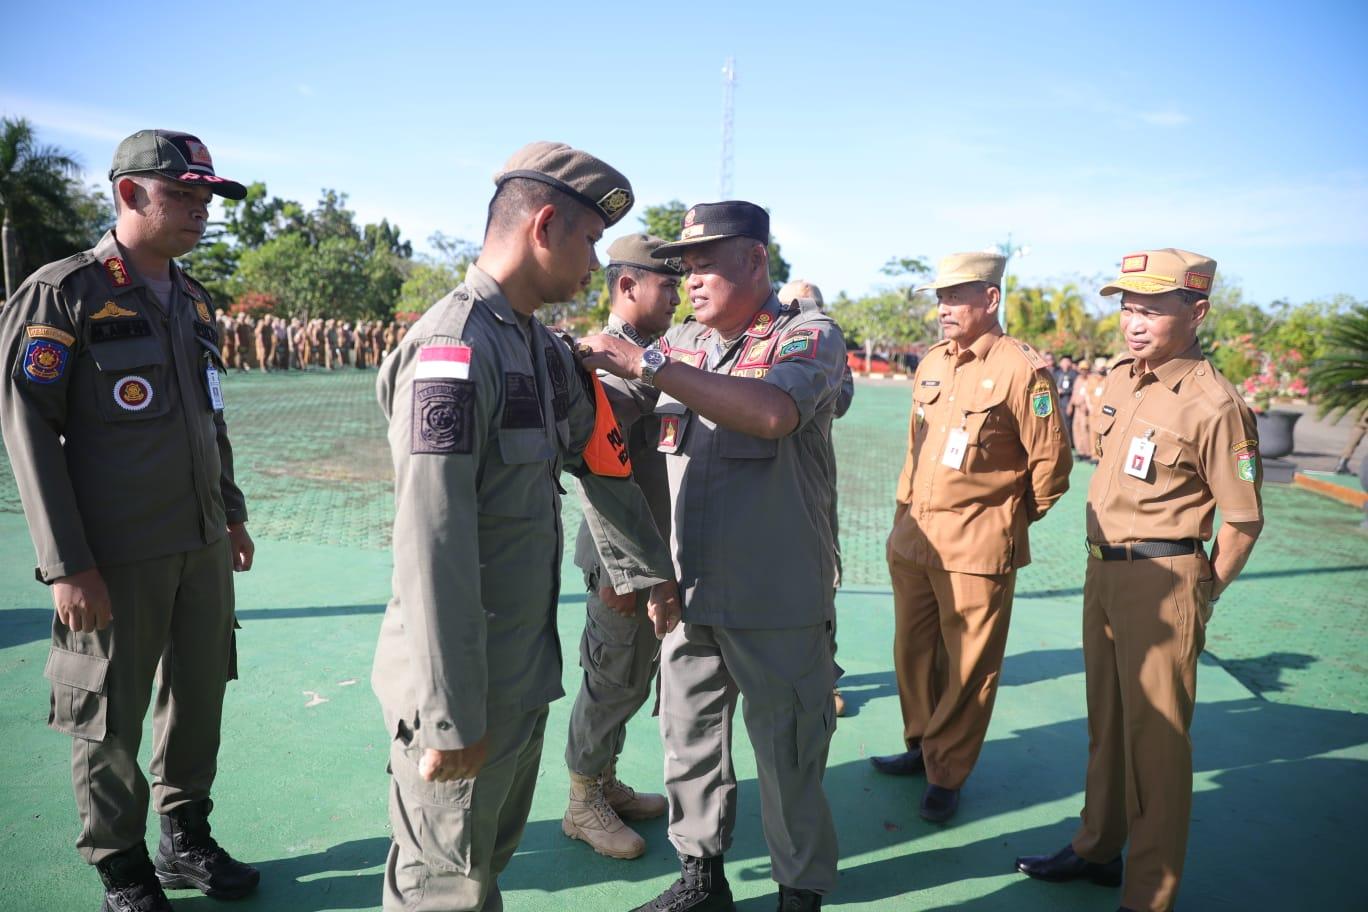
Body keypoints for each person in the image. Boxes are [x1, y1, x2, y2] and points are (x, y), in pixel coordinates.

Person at [372, 141, 678, 912]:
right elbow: (430, 543)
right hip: (461, 681)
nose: (593, 264)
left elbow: (601, 463)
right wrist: (447, 713)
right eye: (587, 241)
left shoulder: (538, 347)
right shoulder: (454, 348)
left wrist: (646, 572)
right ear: (544, 225)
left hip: (516, 672)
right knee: (443, 885)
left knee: (483, 868)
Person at [0, 129, 259, 912]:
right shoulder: (64, 292)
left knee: (198, 695)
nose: (200, 210)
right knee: (107, 711)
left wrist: (233, 513)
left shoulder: (192, 296)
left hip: (201, 541)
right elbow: (26, 425)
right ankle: (121, 866)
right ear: (128, 194)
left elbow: (207, 419)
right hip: (113, 553)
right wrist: (65, 562)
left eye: (206, 196)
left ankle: (185, 835)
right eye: (182, 193)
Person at [580, 201, 847, 912]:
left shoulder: (807, 335)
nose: (690, 279)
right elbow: (614, 401)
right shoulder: (687, 343)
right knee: (688, 740)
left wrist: (649, 362)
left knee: (789, 753)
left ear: (755, 260)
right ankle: (703, 880)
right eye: (683, 266)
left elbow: (770, 414)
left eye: (705, 262)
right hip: (690, 589)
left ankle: (799, 893)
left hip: (777, 593)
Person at [1015, 248, 1265, 912]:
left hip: (1167, 576)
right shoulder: (1125, 380)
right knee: (1109, 726)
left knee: (1156, 747)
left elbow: (1241, 521)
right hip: (1104, 574)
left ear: (1198, 312)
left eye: (1152, 309)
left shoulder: (1215, 404)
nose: (1135, 322)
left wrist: (1200, 592)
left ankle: (1148, 894)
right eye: (1128, 307)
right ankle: (1098, 848)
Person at [872, 251, 1071, 823]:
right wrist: (900, 519)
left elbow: (1051, 468)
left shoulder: (1021, 369)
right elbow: (916, 447)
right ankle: (921, 745)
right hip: (914, 537)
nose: (944, 309)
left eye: (957, 296)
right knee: (912, 651)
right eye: (940, 297)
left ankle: (948, 771)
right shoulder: (932, 362)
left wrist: (1001, 521)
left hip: (978, 545)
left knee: (968, 665)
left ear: (991, 298)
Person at [562, 233, 683, 861]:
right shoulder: (602, 359)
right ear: (628, 285)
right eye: (667, 285)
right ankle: (583, 801)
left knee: (633, 677)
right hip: (620, 555)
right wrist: (633, 571)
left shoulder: (653, 353)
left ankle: (604, 781)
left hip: (650, 548)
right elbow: (604, 466)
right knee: (611, 678)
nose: (678, 296)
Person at [778, 278, 854, 717]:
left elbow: (839, 401)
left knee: (821, 576)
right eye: (792, 306)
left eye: (807, 307)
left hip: (811, 480)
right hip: (763, 480)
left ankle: (825, 676)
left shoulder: (827, 343)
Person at [1069, 360, 1093, 460]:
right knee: (1076, 428)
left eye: (1085, 369)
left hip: (1084, 408)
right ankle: (1080, 451)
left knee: (1085, 429)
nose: (1083, 371)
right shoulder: (1078, 379)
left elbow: (1092, 394)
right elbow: (1074, 392)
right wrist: (1070, 405)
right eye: (1082, 369)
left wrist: (1088, 406)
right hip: (1077, 408)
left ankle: (1087, 452)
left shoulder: (1091, 380)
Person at [1055, 354, 1079, 447]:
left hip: (1068, 402)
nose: (1064, 364)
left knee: (1068, 424)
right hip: (1059, 402)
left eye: (1066, 362)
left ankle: (1070, 444)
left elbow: (1075, 389)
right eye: (1063, 362)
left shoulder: (1074, 374)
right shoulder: (1058, 373)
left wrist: (1064, 391)